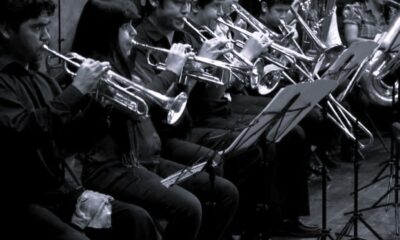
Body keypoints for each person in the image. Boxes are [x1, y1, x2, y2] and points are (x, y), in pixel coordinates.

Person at [71, 1, 239, 240]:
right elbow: (136, 106)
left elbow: (161, 107)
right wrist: (170, 72)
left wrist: (185, 76)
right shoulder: (93, 69)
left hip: (147, 158)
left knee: (225, 192)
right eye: (125, 26)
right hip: (117, 167)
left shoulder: (124, 60)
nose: (133, 32)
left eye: (133, 24)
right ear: (106, 31)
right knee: (189, 207)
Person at [0, 0, 157, 240]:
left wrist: (99, 107)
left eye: (47, 27)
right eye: (36, 28)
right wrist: (76, 90)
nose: (47, 36)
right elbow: (24, 131)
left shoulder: (42, 80)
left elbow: (69, 142)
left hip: (60, 194)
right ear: (6, 30)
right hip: (21, 198)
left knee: (136, 220)